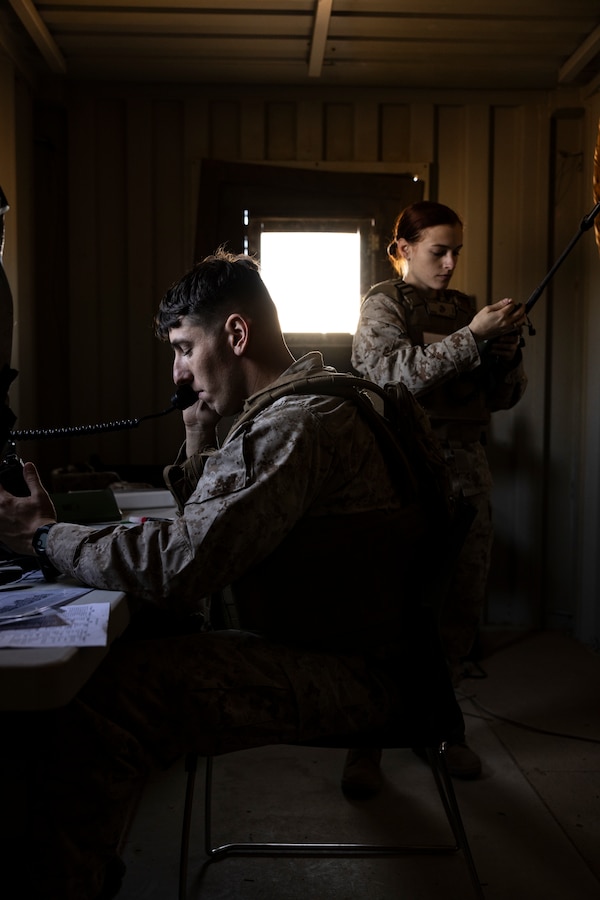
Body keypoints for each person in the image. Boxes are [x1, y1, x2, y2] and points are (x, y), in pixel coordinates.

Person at [0, 249, 451, 900]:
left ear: (235, 335)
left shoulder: (297, 423)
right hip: (355, 649)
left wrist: (40, 536)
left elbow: (183, 565)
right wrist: (196, 439)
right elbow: (215, 528)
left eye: (185, 348)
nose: (179, 375)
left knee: (107, 701)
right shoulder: (316, 403)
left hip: (358, 675)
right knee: (129, 640)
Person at [342, 201, 528, 794]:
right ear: (403, 250)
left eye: (456, 253)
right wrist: (471, 339)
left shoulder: (466, 312)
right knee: (387, 611)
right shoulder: (383, 306)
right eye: (436, 251)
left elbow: (499, 400)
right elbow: (391, 378)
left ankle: (440, 731)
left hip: (465, 472)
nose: (449, 264)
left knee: (456, 609)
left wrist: (504, 355)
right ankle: (363, 743)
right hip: (398, 477)